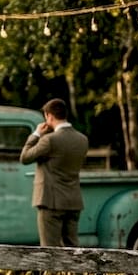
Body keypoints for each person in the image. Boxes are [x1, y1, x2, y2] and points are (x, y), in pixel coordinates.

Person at [20, 98, 89, 247]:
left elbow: (25, 157)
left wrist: (36, 134)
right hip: (73, 201)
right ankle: (75, 271)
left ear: (49, 116)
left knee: (50, 250)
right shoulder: (82, 140)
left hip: (51, 202)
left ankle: (53, 272)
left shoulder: (49, 141)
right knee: (73, 250)